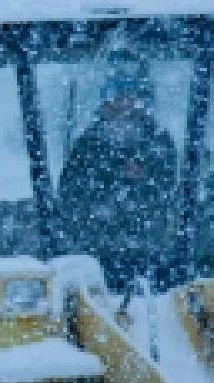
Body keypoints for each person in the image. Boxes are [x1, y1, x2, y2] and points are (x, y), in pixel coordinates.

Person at [57, 69, 181, 290]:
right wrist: (100, 192)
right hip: (95, 250)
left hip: (153, 248)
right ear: (104, 102)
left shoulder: (159, 141)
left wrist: (145, 180)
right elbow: (69, 191)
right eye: (115, 96)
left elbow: (170, 188)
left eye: (129, 96)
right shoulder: (87, 144)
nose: (122, 104)